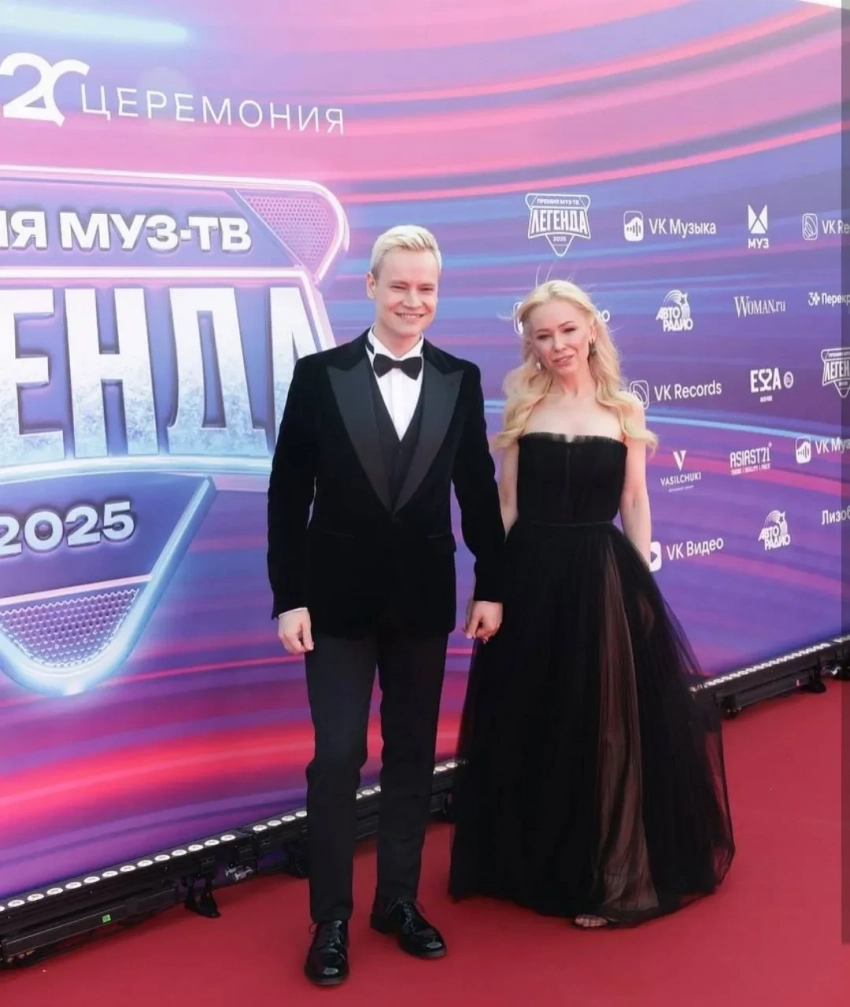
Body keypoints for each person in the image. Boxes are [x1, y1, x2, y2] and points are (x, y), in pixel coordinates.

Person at [448, 279, 735, 928]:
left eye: (567, 330)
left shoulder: (624, 409)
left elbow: (634, 500)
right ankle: (529, 864)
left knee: (605, 722)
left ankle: (611, 873)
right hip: (529, 575)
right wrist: (490, 588)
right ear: (531, 345)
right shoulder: (522, 408)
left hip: (601, 575)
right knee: (533, 711)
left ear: (592, 329)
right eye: (543, 336)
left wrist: (641, 582)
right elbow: (507, 504)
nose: (558, 345)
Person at [267, 225, 504, 985]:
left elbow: (476, 488)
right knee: (338, 754)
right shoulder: (319, 375)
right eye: (399, 285)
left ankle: (397, 899)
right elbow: (287, 493)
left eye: (425, 288)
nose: (412, 300)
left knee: (411, 754)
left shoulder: (460, 378)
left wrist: (491, 582)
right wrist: (288, 597)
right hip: (333, 603)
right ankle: (330, 917)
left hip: (423, 601)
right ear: (370, 286)